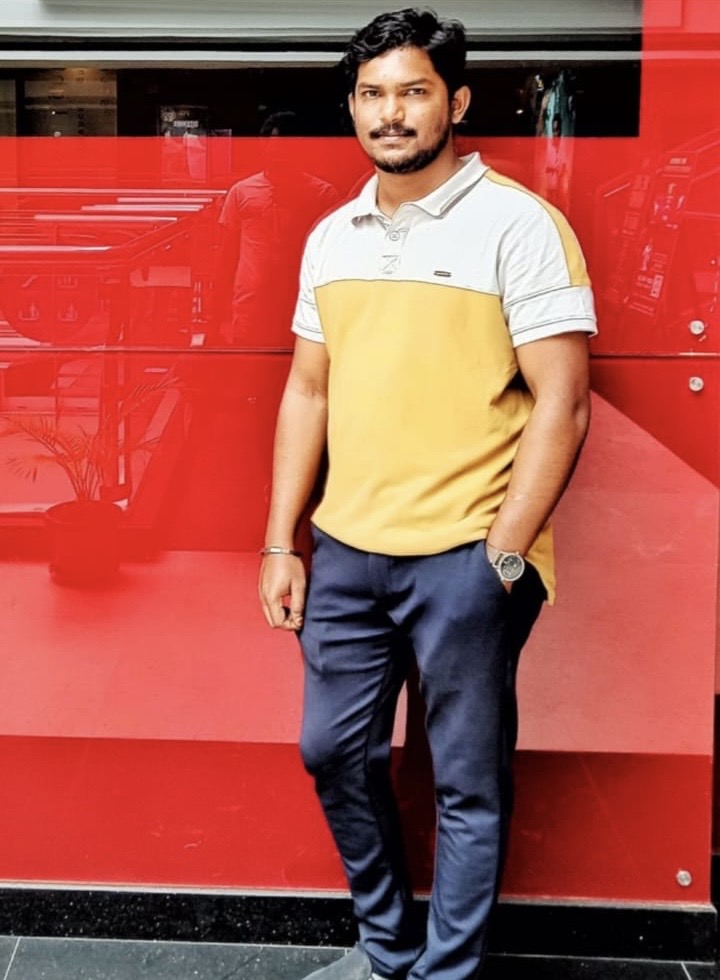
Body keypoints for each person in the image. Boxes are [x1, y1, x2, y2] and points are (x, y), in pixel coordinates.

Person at [259, 8, 597, 980]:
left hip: (467, 552)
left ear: (457, 102)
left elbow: (564, 402)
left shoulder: (520, 226)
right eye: (372, 94)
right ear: (351, 108)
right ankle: (386, 949)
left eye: (413, 91)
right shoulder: (332, 237)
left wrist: (503, 552)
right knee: (333, 751)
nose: (391, 113)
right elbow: (308, 391)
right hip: (348, 549)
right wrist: (282, 540)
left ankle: (446, 973)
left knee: (466, 780)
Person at [216, 111, 339, 346]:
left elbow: (333, 260)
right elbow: (226, 256)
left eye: (288, 150)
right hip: (251, 306)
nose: (281, 156)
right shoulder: (241, 192)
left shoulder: (323, 195)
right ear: (263, 146)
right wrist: (217, 315)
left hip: (303, 306)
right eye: (275, 148)